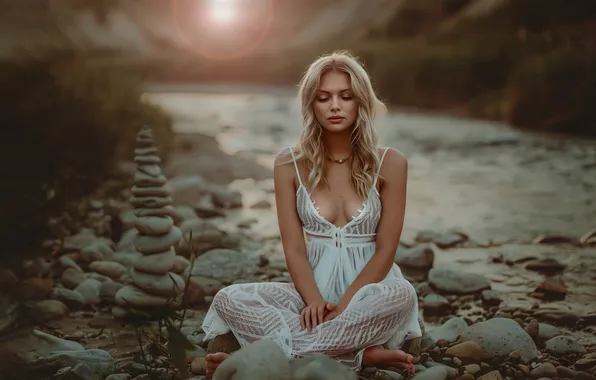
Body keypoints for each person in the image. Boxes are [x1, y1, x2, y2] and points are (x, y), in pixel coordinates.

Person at [201, 50, 422, 377]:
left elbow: (386, 250)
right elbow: (293, 248)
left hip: (368, 298)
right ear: (310, 105)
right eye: (324, 98)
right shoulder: (288, 163)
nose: (335, 105)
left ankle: (258, 354)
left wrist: (344, 307)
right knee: (228, 298)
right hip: (308, 297)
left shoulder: (391, 163)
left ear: (360, 101)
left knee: (402, 293)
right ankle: (359, 354)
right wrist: (315, 302)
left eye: (345, 96)